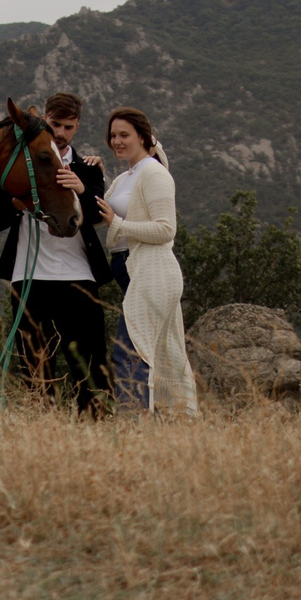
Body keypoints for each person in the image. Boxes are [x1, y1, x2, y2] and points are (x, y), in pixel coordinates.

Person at [0, 90, 111, 412]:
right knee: (34, 365)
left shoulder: (89, 169)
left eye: (68, 127)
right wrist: (21, 201)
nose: (61, 133)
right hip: (29, 276)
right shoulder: (21, 167)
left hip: (79, 275)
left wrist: (80, 190)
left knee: (91, 364)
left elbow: (99, 218)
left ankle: (94, 430)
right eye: (55, 124)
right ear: (45, 121)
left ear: (77, 127)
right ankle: (42, 434)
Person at [97, 106, 196, 414]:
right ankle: (175, 421)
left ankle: (133, 426)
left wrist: (119, 224)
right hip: (132, 271)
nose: (117, 141)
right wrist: (82, 178)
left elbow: (166, 229)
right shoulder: (126, 176)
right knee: (165, 354)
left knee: (131, 350)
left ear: (142, 136)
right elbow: (101, 213)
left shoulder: (153, 173)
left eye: (124, 135)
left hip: (152, 270)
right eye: (113, 135)